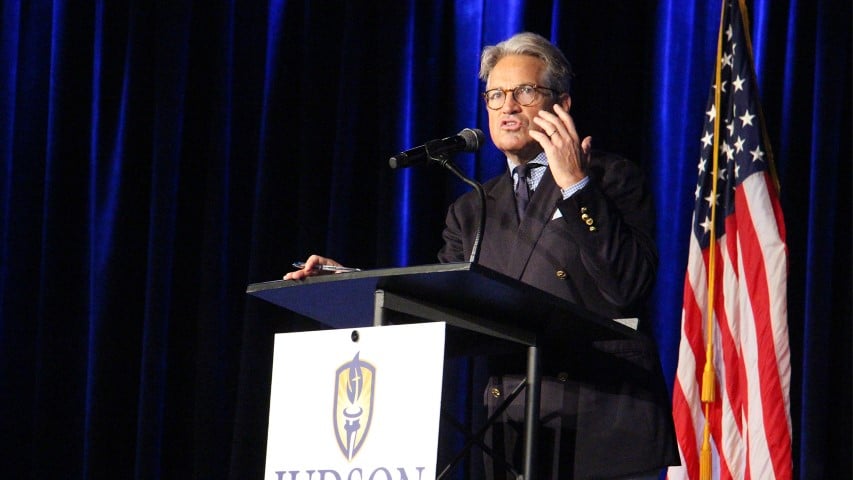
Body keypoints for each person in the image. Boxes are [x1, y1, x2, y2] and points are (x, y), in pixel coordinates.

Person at [286, 32, 677, 480]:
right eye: (495, 95)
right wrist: (352, 282)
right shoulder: (472, 207)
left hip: (601, 423)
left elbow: (627, 287)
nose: (508, 106)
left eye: (525, 91)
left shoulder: (609, 178)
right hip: (512, 430)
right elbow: (438, 307)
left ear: (562, 104)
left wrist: (575, 186)